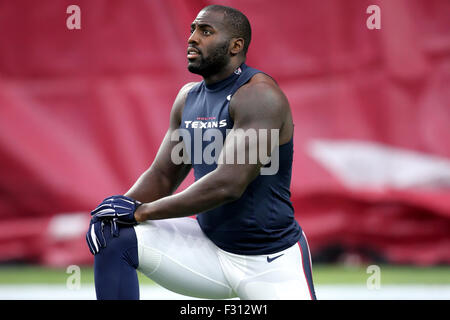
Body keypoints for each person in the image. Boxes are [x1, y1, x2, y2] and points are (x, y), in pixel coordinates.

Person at [86, 4, 316, 300]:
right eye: (192, 29)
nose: (193, 38)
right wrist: (120, 208)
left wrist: (141, 211)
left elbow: (228, 185)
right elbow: (162, 174)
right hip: (209, 251)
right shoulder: (188, 97)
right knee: (113, 234)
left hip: (270, 262)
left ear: (235, 46)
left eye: (205, 31)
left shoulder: (259, 95)